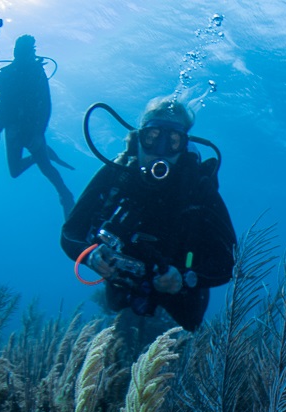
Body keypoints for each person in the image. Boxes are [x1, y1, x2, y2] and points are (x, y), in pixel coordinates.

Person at [61, 96, 236, 331]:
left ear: (183, 145)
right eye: (152, 138)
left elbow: (228, 262)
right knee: (117, 318)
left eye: (172, 140)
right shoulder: (117, 173)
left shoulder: (197, 187)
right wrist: (90, 256)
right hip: (124, 287)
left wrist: (185, 277)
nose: (161, 151)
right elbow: (70, 233)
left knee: (187, 327)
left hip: (180, 296)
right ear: (139, 138)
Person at [0, 34, 74, 215]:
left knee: (46, 167)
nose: (22, 54)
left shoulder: (36, 72)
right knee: (15, 171)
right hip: (13, 129)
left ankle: (65, 195)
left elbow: (46, 104)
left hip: (32, 129)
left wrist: (39, 133)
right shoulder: (7, 73)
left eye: (26, 50)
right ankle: (44, 158)